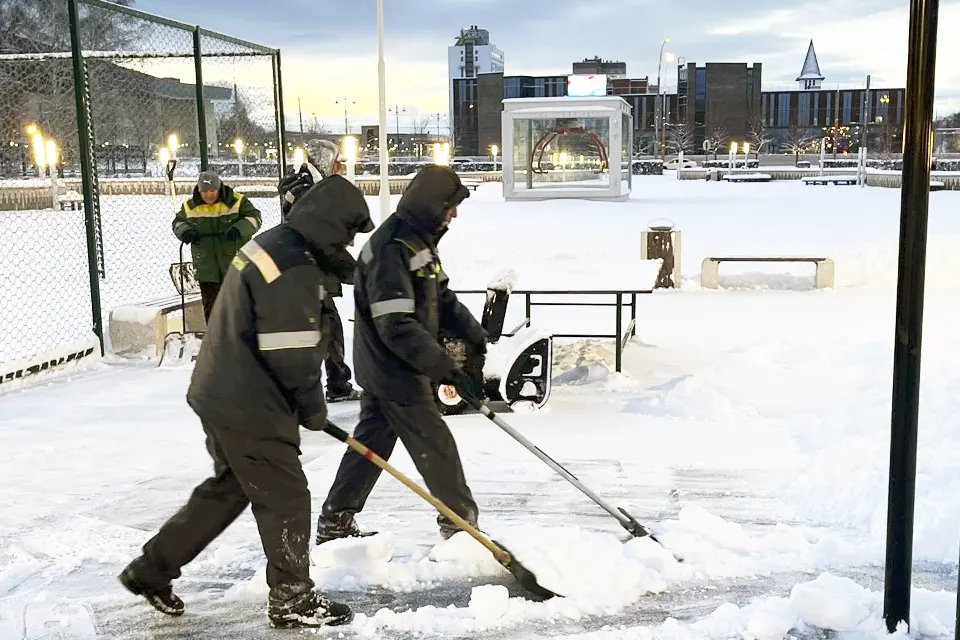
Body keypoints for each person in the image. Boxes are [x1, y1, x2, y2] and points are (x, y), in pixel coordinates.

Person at [120, 174, 374, 629]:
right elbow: (292, 352)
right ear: (332, 222)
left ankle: (151, 568)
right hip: (248, 399)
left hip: (221, 388)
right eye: (349, 231)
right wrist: (312, 406)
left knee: (232, 487)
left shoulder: (279, 243)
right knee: (285, 493)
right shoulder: (293, 265)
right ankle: (292, 598)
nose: (350, 241)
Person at [315, 164, 487, 545]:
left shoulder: (417, 242)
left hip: (394, 366)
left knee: (371, 444)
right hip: (393, 368)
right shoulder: (392, 248)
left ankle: (335, 520)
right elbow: (396, 325)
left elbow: (440, 298)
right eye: (450, 206)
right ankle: (461, 526)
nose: (454, 215)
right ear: (432, 205)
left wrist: (475, 337)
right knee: (435, 444)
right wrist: (444, 367)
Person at [278, 139, 362, 403]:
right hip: (308, 273)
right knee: (322, 330)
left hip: (308, 271)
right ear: (326, 162)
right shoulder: (309, 191)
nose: (339, 168)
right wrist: (355, 272)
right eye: (337, 162)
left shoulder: (307, 187)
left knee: (326, 329)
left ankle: (334, 384)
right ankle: (323, 388)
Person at [172, 171, 263, 322]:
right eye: (205, 191)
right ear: (199, 191)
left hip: (237, 263)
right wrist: (185, 232)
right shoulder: (189, 207)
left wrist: (239, 229)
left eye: (212, 191)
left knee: (239, 306)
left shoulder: (237, 202)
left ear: (219, 188)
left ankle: (241, 337)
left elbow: (255, 218)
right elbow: (177, 223)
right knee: (211, 307)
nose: (209, 195)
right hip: (206, 266)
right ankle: (215, 339)